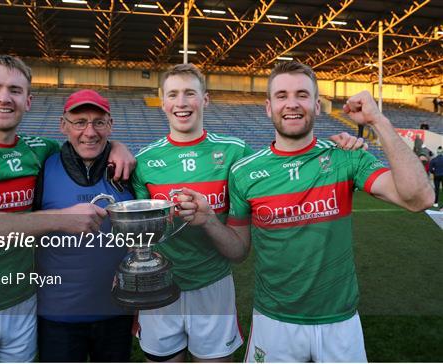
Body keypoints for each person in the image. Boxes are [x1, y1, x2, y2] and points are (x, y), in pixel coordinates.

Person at [177, 61, 434, 362]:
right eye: (282, 95)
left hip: (340, 322)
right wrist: (208, 220)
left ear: (317, 105)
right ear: (268, 106)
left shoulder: (345, 157)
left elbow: (419, 198)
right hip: (274, 322)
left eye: (301, 94)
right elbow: (238, 251)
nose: (292, 104)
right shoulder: (245, 172)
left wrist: (379, 121)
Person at [131, 63, 368, 362]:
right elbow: (138, 233)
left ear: (205, 99)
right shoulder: (143, 161)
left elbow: (274, 166)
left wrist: (345, 142)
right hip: (162, 286)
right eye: (173, 94)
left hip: (213, 283)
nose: (181, 102)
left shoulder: (236, 153)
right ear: (162, 101)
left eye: (190, 93)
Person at [0, 55, 134, 362]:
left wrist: (117, 146)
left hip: (23, 302)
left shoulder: (39, 150)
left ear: (28, 100)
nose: (4, 98)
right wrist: (60, 219)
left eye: (15, 90)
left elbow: (85, 140)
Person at [33, 89, 134, 362]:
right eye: (80, 122)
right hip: (58, 317)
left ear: (110, 125)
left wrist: (119, 146)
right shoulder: (42, 168)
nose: (90, 132)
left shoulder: (129, 169)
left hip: (117, 313)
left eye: (98, 122)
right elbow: (13, 222)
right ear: (63, 125)